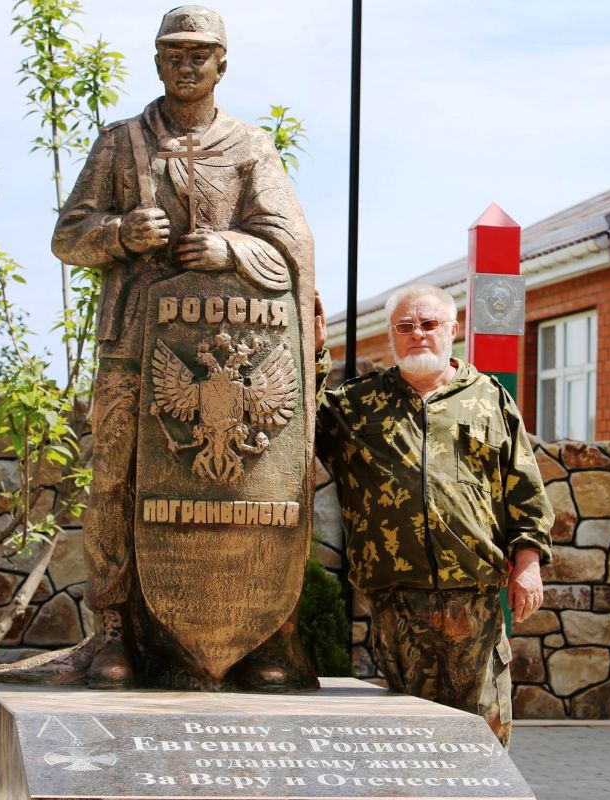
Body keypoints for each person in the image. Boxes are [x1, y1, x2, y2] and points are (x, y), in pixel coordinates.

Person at [51, 5, 312, 688]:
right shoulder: (121, 143)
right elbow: (68, 236)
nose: (187, 65)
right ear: (158, 61)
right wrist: (120, 233)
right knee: (114, 480)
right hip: (133, 342)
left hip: (221, 341)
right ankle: (115, 629)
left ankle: (256, 636)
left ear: (222, 64)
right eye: (174, 54)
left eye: (200, 54)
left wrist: (231, 247)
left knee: (244, 491)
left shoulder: (250, 146)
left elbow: (291, 241)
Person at [313, 285, 553, 746]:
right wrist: (316, 350)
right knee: (410, 741)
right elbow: (300, 414)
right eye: (405, 326)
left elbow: (523, 488)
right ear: (391, 335)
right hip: (397, 601)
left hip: (474, 598)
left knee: (483, 736)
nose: (417, 334)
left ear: (453, 330)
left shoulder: (489, 399)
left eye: (429, 324)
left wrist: (528, 563)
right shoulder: (359, 404)